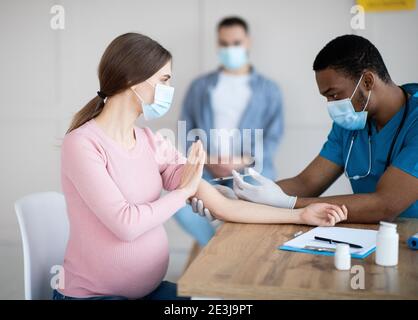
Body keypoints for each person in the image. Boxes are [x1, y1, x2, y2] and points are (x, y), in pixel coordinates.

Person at [56, 32, 348, 300]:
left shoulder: (148, 141)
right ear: (134, 80)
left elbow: (221, 204)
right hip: (93, 296)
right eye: (165, 79)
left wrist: (300, 215)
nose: (170, 89)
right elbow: (126, 224)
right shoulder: (82, 145)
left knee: (227, 304)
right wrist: (183, 192)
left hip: (149, 292)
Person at [193, 35, 418, 222]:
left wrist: (290, 204)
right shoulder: (352, 122)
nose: (331, 105)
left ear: (368, 81)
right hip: (371, 234)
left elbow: (386, 204)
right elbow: (306, 183)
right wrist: (235, 199)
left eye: (334, 94)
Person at [174, 16, 284, 246]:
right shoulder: (200, 87)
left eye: (236, 42)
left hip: (250, 172)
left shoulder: (269, 90)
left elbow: (273, 136)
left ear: (248, 42)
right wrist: (206, 160)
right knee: (179, 207)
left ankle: (222, 251)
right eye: (223, 43)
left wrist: (242, 160)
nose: (229, 48)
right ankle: (218, 247)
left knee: (253, 208)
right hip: (206, 169)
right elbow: (186, 129)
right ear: (217, 44)